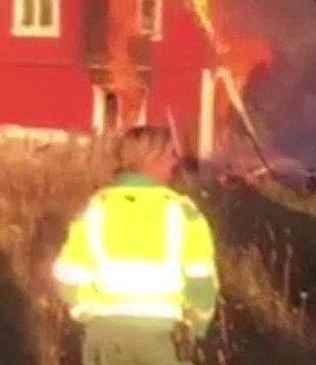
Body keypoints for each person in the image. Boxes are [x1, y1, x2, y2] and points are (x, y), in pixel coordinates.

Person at [53, 125, 219, 365]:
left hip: (104, 334)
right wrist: (196, 326)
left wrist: (86, 311)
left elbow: (68, 275)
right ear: (152, 160)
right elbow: (200, 281)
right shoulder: (183, 213)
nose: (175, 163)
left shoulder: (96, 210)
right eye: (170, 155)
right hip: (160, 336)